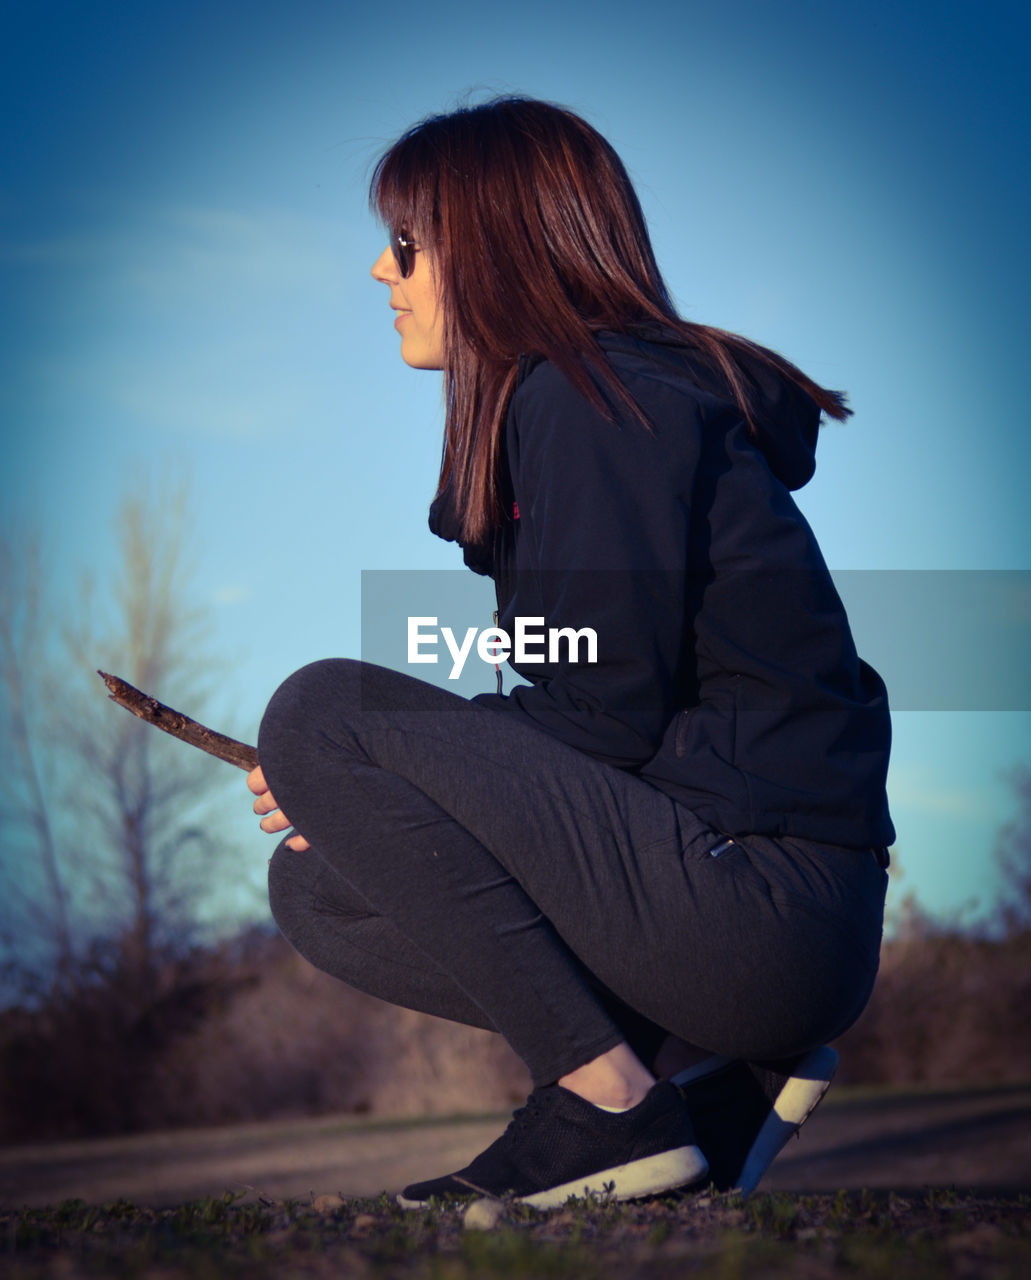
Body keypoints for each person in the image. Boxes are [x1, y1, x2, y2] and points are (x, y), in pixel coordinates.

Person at [247, 96, 894, 1208]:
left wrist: (374, 760)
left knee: (319, 711)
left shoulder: (597, 402)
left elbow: (596, 711)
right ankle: (706, 1086)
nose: (379, 271)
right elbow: (614, 708)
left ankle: (604, 1104)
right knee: (320, 888)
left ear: (493, 248)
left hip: (762, 906)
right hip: (750, 911)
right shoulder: (584, 407)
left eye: (406, 242)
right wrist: (378, 798)